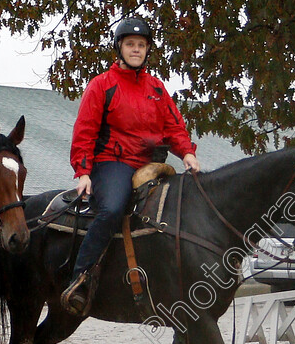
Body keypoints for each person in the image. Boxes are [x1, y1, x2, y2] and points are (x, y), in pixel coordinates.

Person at [61, 17, 202, 316]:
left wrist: (186, 153)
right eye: (130, 44)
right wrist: (84, 171)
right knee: (112, 209)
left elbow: (174, 127)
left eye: (141, 45)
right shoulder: (102, 85)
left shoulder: (157, 88)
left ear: (147, 50)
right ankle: (81, 277)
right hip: (113, 163)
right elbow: (84, 131)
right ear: (119, 48)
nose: (136, 50)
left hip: (151, 165)